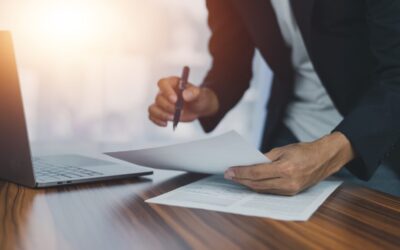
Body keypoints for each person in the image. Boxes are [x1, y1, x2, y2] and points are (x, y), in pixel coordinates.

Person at [148, 0, 400, 196]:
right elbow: (231, 61)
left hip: (377, 141)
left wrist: (327, 154)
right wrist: (208, 97)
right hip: (290, 138)